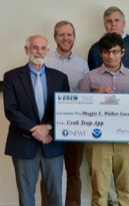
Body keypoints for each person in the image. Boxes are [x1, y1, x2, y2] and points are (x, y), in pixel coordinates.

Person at [88, 6, 129, 206]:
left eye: (115, 52)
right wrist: (95, 96)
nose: (111, 56)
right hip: (100, 136)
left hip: (127, 137)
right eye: (107, 52)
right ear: (101, 53)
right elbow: (82, 106)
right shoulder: (91, 76)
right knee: (99, 188)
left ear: (122, 52)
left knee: (127, 185)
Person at [3, 35, 69, 206]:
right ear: (27, 50)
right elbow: (11, 110)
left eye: (42, 48)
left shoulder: (60, 78)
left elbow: (65, 111)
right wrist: (37, 130)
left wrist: (47, 128)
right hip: (23, 144)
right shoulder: (11, 77)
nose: (39, 52)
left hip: (52, 144)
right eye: (34, 47)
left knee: (55, 195)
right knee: (26, 197)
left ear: (48, 51)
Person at [40, 21, 89, 206]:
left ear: (74, 37)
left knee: (74, 172)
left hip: (75, 125)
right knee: (48, 173)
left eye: (69, 34)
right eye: (61, 34)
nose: (66, 38)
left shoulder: (82, 64)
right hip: (49, 125)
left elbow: (86, 96)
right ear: (55, 38)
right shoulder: (45, 61)